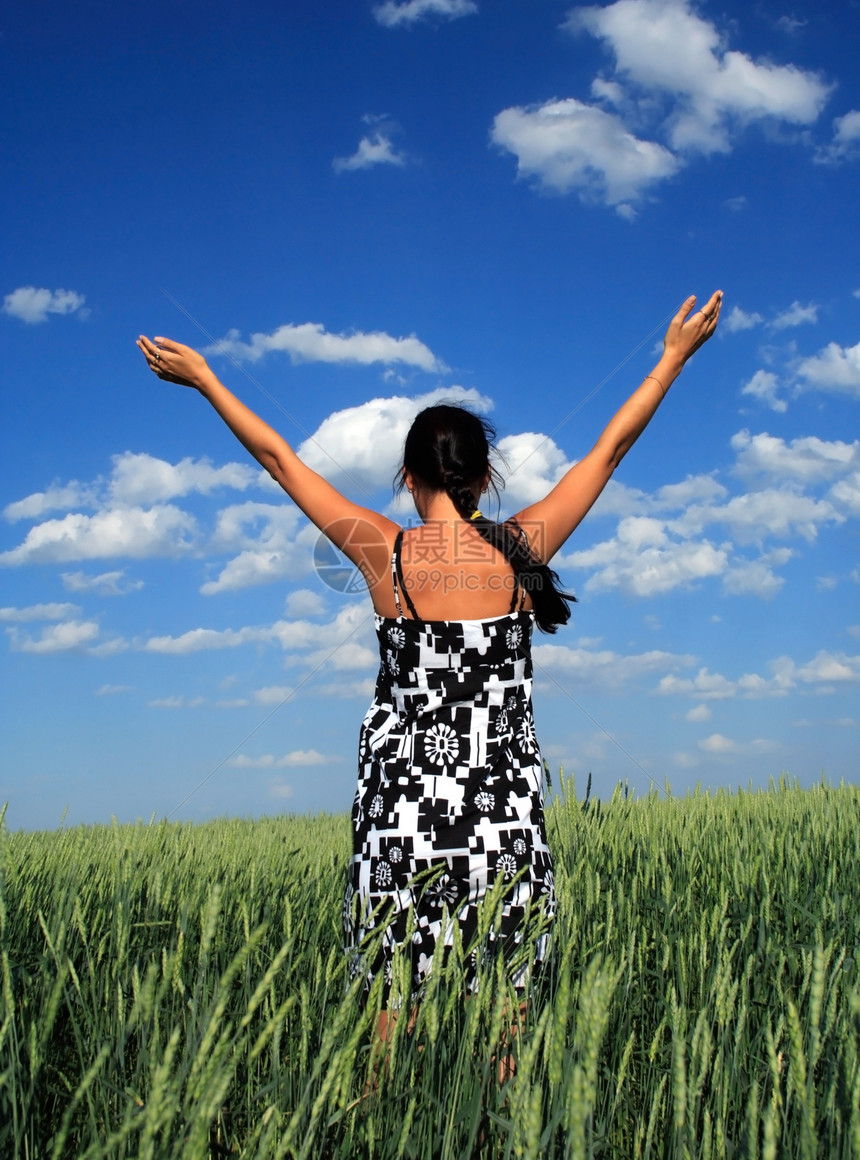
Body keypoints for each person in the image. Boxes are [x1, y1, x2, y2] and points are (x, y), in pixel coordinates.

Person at [136, 289, 722, 1014]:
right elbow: (611, 450)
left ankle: (386, 1123)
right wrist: (670, 360)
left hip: (400, 821)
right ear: (484, 478)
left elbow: (279, 461)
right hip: (502, 820)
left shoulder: (386, 554)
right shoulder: (522, 551)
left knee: (393, 1008)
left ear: (408, 477)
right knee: (505, 1017)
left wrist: (208, 381)